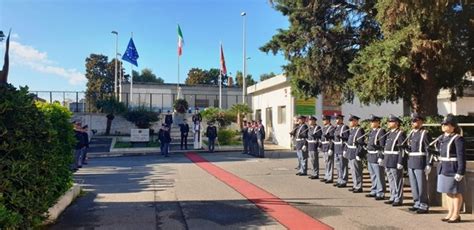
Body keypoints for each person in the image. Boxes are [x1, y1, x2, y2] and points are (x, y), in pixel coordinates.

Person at [435, 114, 466, 223]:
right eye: (442, 124)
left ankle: (456, 214)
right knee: (447, 192)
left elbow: (461, 156)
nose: (443, 126)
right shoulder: (442, 138)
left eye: (446, 124)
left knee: (456, 192)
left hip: (453, 168)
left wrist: (460, 171)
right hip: (444, 167)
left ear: (453, 126)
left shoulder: (458, 139)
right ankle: (450, 212)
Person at [406, 113, 432, 214]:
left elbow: (428, 149)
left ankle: (424, 205)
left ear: (421, 122)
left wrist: (429, 163)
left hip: (420, 161)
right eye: (412, 121)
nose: (413, 122)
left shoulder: (424, 133)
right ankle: (416, 202)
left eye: (415, 120)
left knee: (421, 185)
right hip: (411, 161)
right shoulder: (411, 133)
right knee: (413, 185)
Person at [383, 114, 406, 207]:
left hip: (395, 159)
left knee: (397, 180)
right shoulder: (389, 133)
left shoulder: (400, 134)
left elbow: (402, 149)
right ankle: (393, 196)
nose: (388, 123)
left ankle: (398, 198)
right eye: (388, 121)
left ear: (396, 123)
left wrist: (400, 161)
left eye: (391, 121)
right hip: (388, 159)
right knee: (390, 179)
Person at [365, 115, 387, 200]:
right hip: (370, 155)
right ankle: (374, 190)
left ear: (378, 122)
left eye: (373, 121)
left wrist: (381, 156)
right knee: (373, 174)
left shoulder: (381, 131)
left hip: (376, 155)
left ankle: (381, 192)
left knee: (379, 175)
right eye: (371, 121)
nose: (371, 123)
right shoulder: (371, 132)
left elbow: (382, 145)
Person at [344, 114, 365, 193]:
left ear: (356, 122)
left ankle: (359, 186)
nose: (350, 122)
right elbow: (349, 142)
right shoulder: (352, 130)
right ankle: (355, 184)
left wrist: (358, 154)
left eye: (351, 121)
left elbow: (360, 143)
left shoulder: (359, 130)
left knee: (357, 170)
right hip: (350, 152)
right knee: (352, 170)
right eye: (350, 121)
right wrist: (345, 150)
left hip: (355, 152)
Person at [333, 114, 350, 187]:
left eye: (338, 119)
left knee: (343, 165)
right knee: (338, 166)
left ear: (341, 120)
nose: (337, 120)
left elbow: (347, 139)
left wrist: (345, 150)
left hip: (342, 148)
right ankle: (339, 179)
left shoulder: (344, 127)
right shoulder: (336, 128)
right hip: (336, 148)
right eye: (336, 119)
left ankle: (343, 180)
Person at [320, 115, 335, 183]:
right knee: (326, 162)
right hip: (324, 146)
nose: (323, 121)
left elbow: (332, 139)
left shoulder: (331, 128)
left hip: (328, 146)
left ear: (328, 120)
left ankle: (330, 177)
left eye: (324, 120)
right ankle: (326, 176)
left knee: (329, 162)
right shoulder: (324, 128)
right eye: (323, 120)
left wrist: (331, 148)